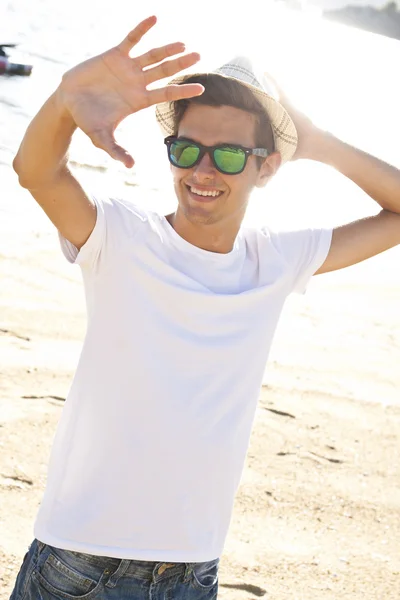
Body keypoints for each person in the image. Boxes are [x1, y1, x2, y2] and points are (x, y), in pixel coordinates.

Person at [9, 14, 400, 600]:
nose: (203, 170)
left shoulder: (276, 260)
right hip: (80, 559)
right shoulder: (119, 235)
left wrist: (317, 144)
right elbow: (34, 170)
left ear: (267, 167)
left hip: (192, 569)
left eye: (231, 157)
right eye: (186, 149)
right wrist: (66, 101)